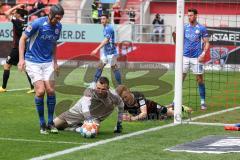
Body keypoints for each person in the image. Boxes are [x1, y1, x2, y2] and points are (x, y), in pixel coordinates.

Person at [18, 4, 64, 134]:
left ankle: (50, 123)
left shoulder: (58, 27)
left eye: (60, 19)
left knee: (50, 90)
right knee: (40, 91)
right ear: (50, 15)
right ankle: (42, 123)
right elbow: (22, 39)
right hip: (32, 61)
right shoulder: (37, 23)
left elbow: (54, 43)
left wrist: (55, 62)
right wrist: (21, 59)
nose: (58, 21)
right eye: (56, 18)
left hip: (48, 62)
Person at [53, 77, 124, 134]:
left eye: (103, 89)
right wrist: (88, 119)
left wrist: (119, 123)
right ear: (96, 86)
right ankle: (78, 125)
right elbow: (85, 106)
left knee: (92, 131)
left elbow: (121, 106)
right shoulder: (90, 91)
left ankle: (76, 128)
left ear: (108, 88)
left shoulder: (114, 96)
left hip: (95, 117)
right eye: (98, 88)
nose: (100, 91)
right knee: (55, 125)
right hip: (78, 111)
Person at [173, 8, 210, 110]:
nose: (189, 17)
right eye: (188, 15)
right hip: (184, 57)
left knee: (199, 80)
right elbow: (177, 42)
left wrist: (203, 53)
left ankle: (202, 102)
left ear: (196, 15)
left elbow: (207, 42)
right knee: (180, 79)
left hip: (196, 58)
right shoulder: (184, 27)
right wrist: (174, 36)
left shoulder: (201, 28)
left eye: (191, 15)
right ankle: (175, 101)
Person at [0, 4, 34, 93]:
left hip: (16, 48)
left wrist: (17, 6)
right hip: (24, 47)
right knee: (26, 67)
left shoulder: (17, 21)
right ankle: (33, 87)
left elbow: (6, 12)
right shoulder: (25, 22)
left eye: (15, 12)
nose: (14, 13)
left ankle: (3, 87)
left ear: (18, 14)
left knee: (7, 65)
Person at [116, 85, 192, 121]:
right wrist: (124, 116)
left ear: (129, 91)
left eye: (125, 97)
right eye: (122, 98)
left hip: (152, 107)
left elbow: (144, 113)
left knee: (174, 115)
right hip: (145, 115)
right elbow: (121, 115)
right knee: (159, 117)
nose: (124, 100)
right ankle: (172, 105)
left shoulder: (138, 96)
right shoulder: (121, 102)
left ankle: (180, 107)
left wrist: (132, 119)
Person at [91, 14, 122, 86]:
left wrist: (96, 49)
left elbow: (106, 40)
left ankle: (120, 85)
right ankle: (94, 83)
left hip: (111, 53)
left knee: (114, 68)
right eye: (101, 19)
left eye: (104, 19)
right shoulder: (105, 28)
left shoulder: (109, 28)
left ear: (107, 20)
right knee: (100, 66)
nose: (102, 20)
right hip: (106, 52)